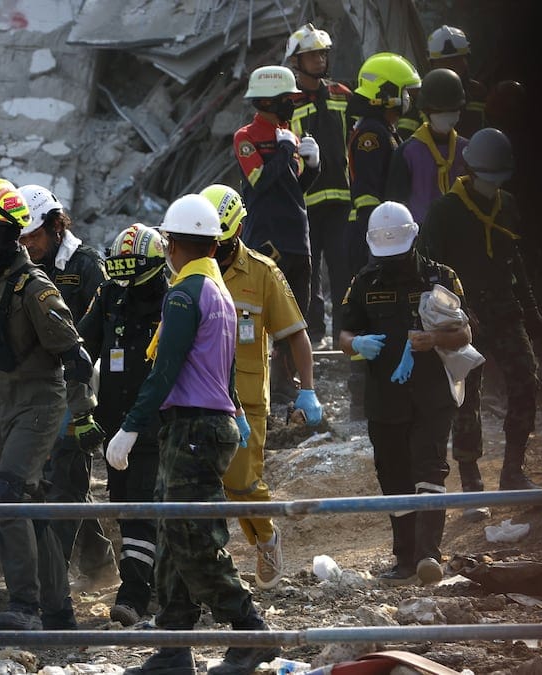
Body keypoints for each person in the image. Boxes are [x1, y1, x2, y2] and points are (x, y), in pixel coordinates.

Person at [107, 194, 279, 675]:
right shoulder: (217, 288)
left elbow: (164, 371)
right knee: (173, 534)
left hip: (193, 427)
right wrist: (237, 411)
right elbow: (220, 365)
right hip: (204, 424)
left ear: (173, 244)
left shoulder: (184, 292)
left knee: (193, 538)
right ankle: (174, 643)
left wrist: (129, 427)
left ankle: (250, 631)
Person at [0, 178, 97, 631]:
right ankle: (59, 610)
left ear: (8, 234)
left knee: (6, 493)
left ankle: (24, 605)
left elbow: (73, 356)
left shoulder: (34, 287)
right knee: (32, 505)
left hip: (38, 403)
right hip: (1, 399)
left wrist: (84, 414)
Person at [338, 201, 470, 584]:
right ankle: (405, 559)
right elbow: (343, 334)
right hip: (384, 397)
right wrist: (357, 344)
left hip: (432, 394)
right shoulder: (364, 282)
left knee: (429, 468)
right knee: (393, 475)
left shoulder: (440, 278)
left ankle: (430, 554)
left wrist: (433, 339)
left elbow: (465, 334)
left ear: (414, 239)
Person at [202, 183, 323, 590]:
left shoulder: (263, 273)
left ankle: (266, 539)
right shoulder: (186, 268)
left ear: (236, 231)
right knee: (196, 485)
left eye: (219, 240)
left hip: (247, 401)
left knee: (240, 483)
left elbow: (296, 333)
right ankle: (204, 572)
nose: (211, 248)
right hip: (197, 394)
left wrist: (307, 389)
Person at [417, 128, 542, 492]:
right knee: (466, 393)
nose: (492, 185)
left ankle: (513, 471)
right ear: (471, 172)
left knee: (525, 378)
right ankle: (471, 478)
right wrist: (454, 312)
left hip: (504, 306)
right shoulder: (444, 211)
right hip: (463, 312)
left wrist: (531, 309)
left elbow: (514, 259)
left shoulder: (507, 204)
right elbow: (430, 269)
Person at [16, 183, 119, 596]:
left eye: (35, 236)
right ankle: (99, 562)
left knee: (68, 479)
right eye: (22, 238)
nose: (29, 245)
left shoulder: (89, 266)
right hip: (40, 389)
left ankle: (52, 578)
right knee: (56, 480)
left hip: (79, 389)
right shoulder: (26, 267)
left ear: (56, 227)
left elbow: (106, 331)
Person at [77, 223, 168, 626]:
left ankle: (134, 594)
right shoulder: (110, 294)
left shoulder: (173, 300)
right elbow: (83, 346)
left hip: (156, 426)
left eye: (135, 272)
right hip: (114, 426)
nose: (128, 281)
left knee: (141, 511)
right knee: (124, 507)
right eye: (121, 270)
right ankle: (155, 586)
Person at [233, 64, 321, 403]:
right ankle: (255, 392)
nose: (293, 104)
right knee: (258, 319)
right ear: (267, 102)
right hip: (268, 242)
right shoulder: (246, 137)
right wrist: (284, 151)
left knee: (297, 317)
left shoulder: (289, 134)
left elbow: (292, 189)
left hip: (298, 239)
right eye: (287, 98)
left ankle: (289, 390)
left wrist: (313, 167)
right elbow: (259, 182)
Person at [345, 51, 421, 420]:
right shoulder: (371, 135)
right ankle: (362, 394)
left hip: (381, 233)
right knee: (370, 311)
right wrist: (381, 234)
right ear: (386, 92)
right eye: (404, 92)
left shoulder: (383, 129)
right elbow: (370, 191)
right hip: (371, 233)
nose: (408, 99)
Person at [285, 23, 353, 350]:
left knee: (343, 270)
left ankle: (343, 332)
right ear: (296, 61)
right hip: (305, 202)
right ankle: (313, 335)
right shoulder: (287, 103)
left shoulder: (341, 95)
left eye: (322, 54)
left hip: (341, 200)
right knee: (308, 274)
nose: (319, 60)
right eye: (311, 55)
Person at [386, 68, 470, 224]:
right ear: (426, 111)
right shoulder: (407, 153)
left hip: (462, 235)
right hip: (421, 236)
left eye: (453, 110)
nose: (447, 115)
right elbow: (396, 204)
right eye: (440, 111)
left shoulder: (468, 150)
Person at [399, 25, 489, 140]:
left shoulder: (478, 93)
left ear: (466, 59)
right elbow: (404, 141)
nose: (451, 68)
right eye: (445, 62)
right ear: (432, 64)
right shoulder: (415, 95)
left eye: (456, 61)